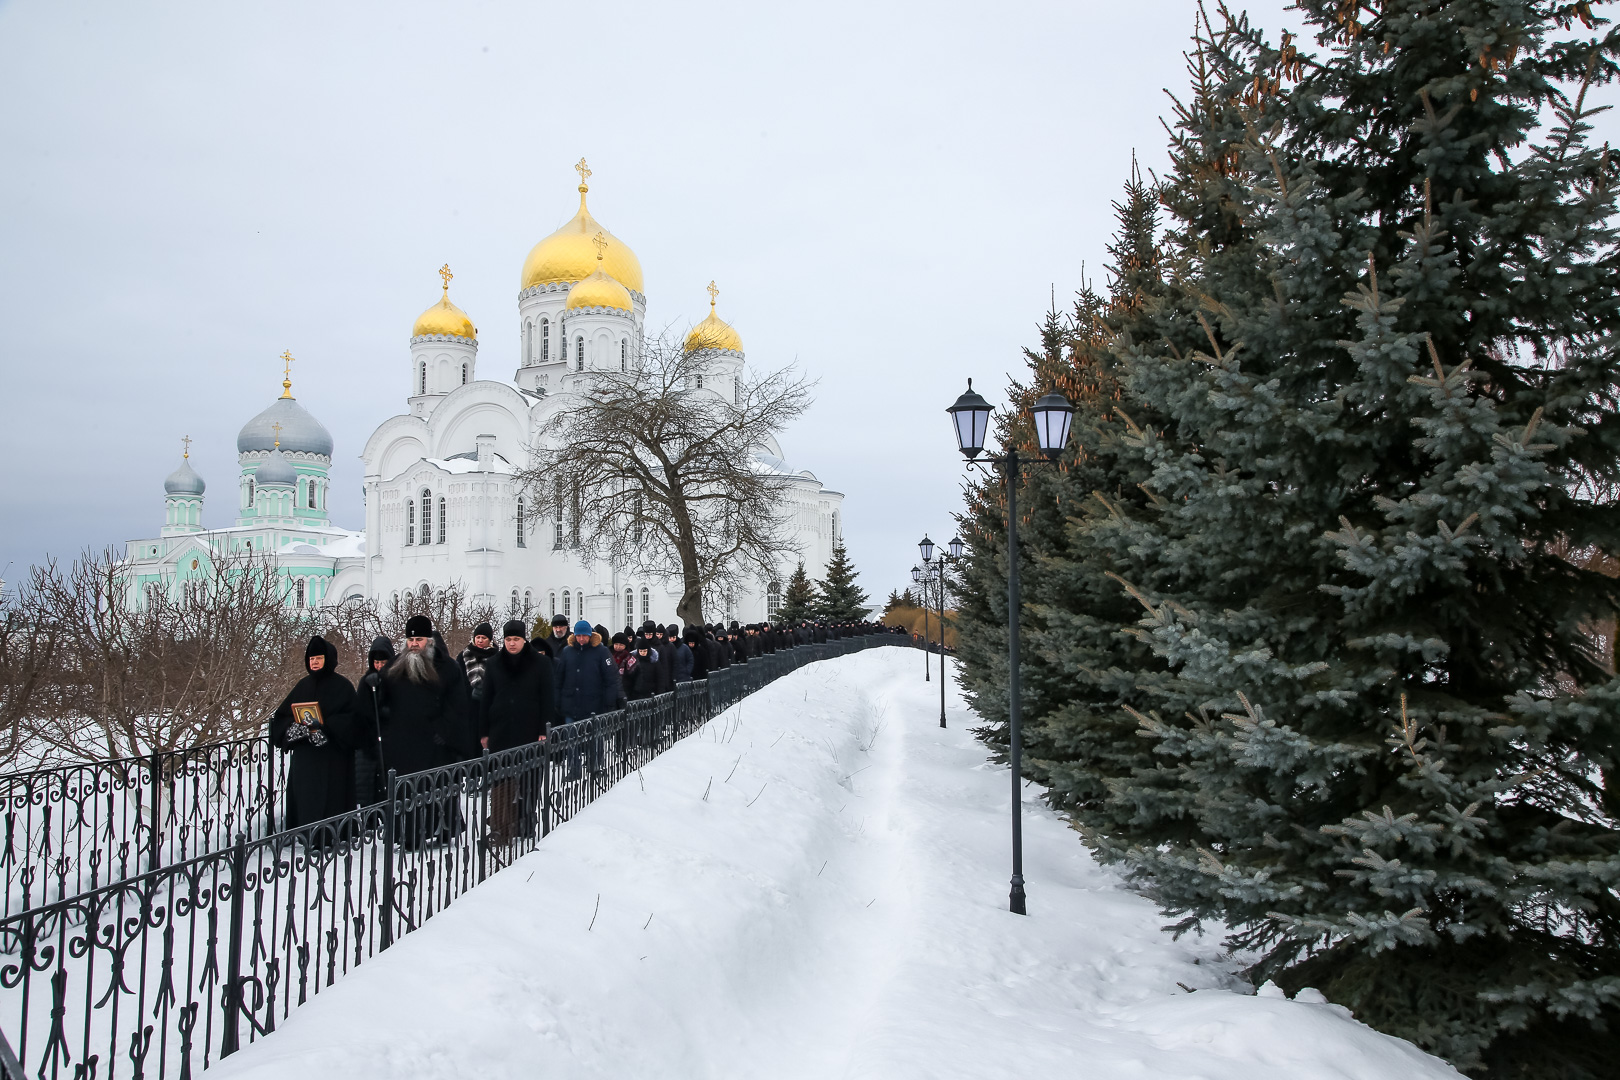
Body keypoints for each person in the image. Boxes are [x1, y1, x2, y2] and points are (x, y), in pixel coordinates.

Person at [269, 635, 358, 831]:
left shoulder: (343, 686)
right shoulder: (303, 685)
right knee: (306, 796)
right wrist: (296, 727)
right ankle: (304, 832)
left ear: (328, 659)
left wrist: (325, 727)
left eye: (319, 658)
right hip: (306, 758)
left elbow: (352, 720)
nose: (315, 662)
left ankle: (332, 834)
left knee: (331, 797)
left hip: (332, 758)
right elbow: (282, 717)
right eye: (311, 659)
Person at [479, 620, 556, 842]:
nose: (512, 644)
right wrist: (484, 731)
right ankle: (501, 825)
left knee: (529, 779)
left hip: (530, 729)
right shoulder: (494, 663)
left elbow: (547, 699)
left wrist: (544, 729)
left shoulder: (540, 664)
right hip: (501, 729)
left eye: (516, 639)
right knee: (501, 779)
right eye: (508, 639)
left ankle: (526, 823)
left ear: (524, 640)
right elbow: (486, 698)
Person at [556, 619, 621, 777]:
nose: (581, 639)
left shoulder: (601, 651)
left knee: (596, 738)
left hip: (594, 703)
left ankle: (596, 767)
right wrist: (558, 699)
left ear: (590, 635)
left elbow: (611, 678)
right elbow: (559, 678)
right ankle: (574, 769)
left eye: (584, 636)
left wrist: (609, 701)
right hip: (571, 703)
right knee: (572, 738)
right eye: (578, 636)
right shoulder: (567, 652)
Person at [355, 635, 394, 805]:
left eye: (383, 662)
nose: (379, 666)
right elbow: (361, 711)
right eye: (376, 662)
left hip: (391, 741)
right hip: (371, 744)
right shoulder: (366, 682)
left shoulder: (396, 679)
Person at [459, 623, 497, 704]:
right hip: (466, 702)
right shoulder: (464, 655)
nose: (480, 640)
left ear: (490, 640)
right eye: (478, 637)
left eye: (484, 638)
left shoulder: (496, 657)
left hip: (488, 702)